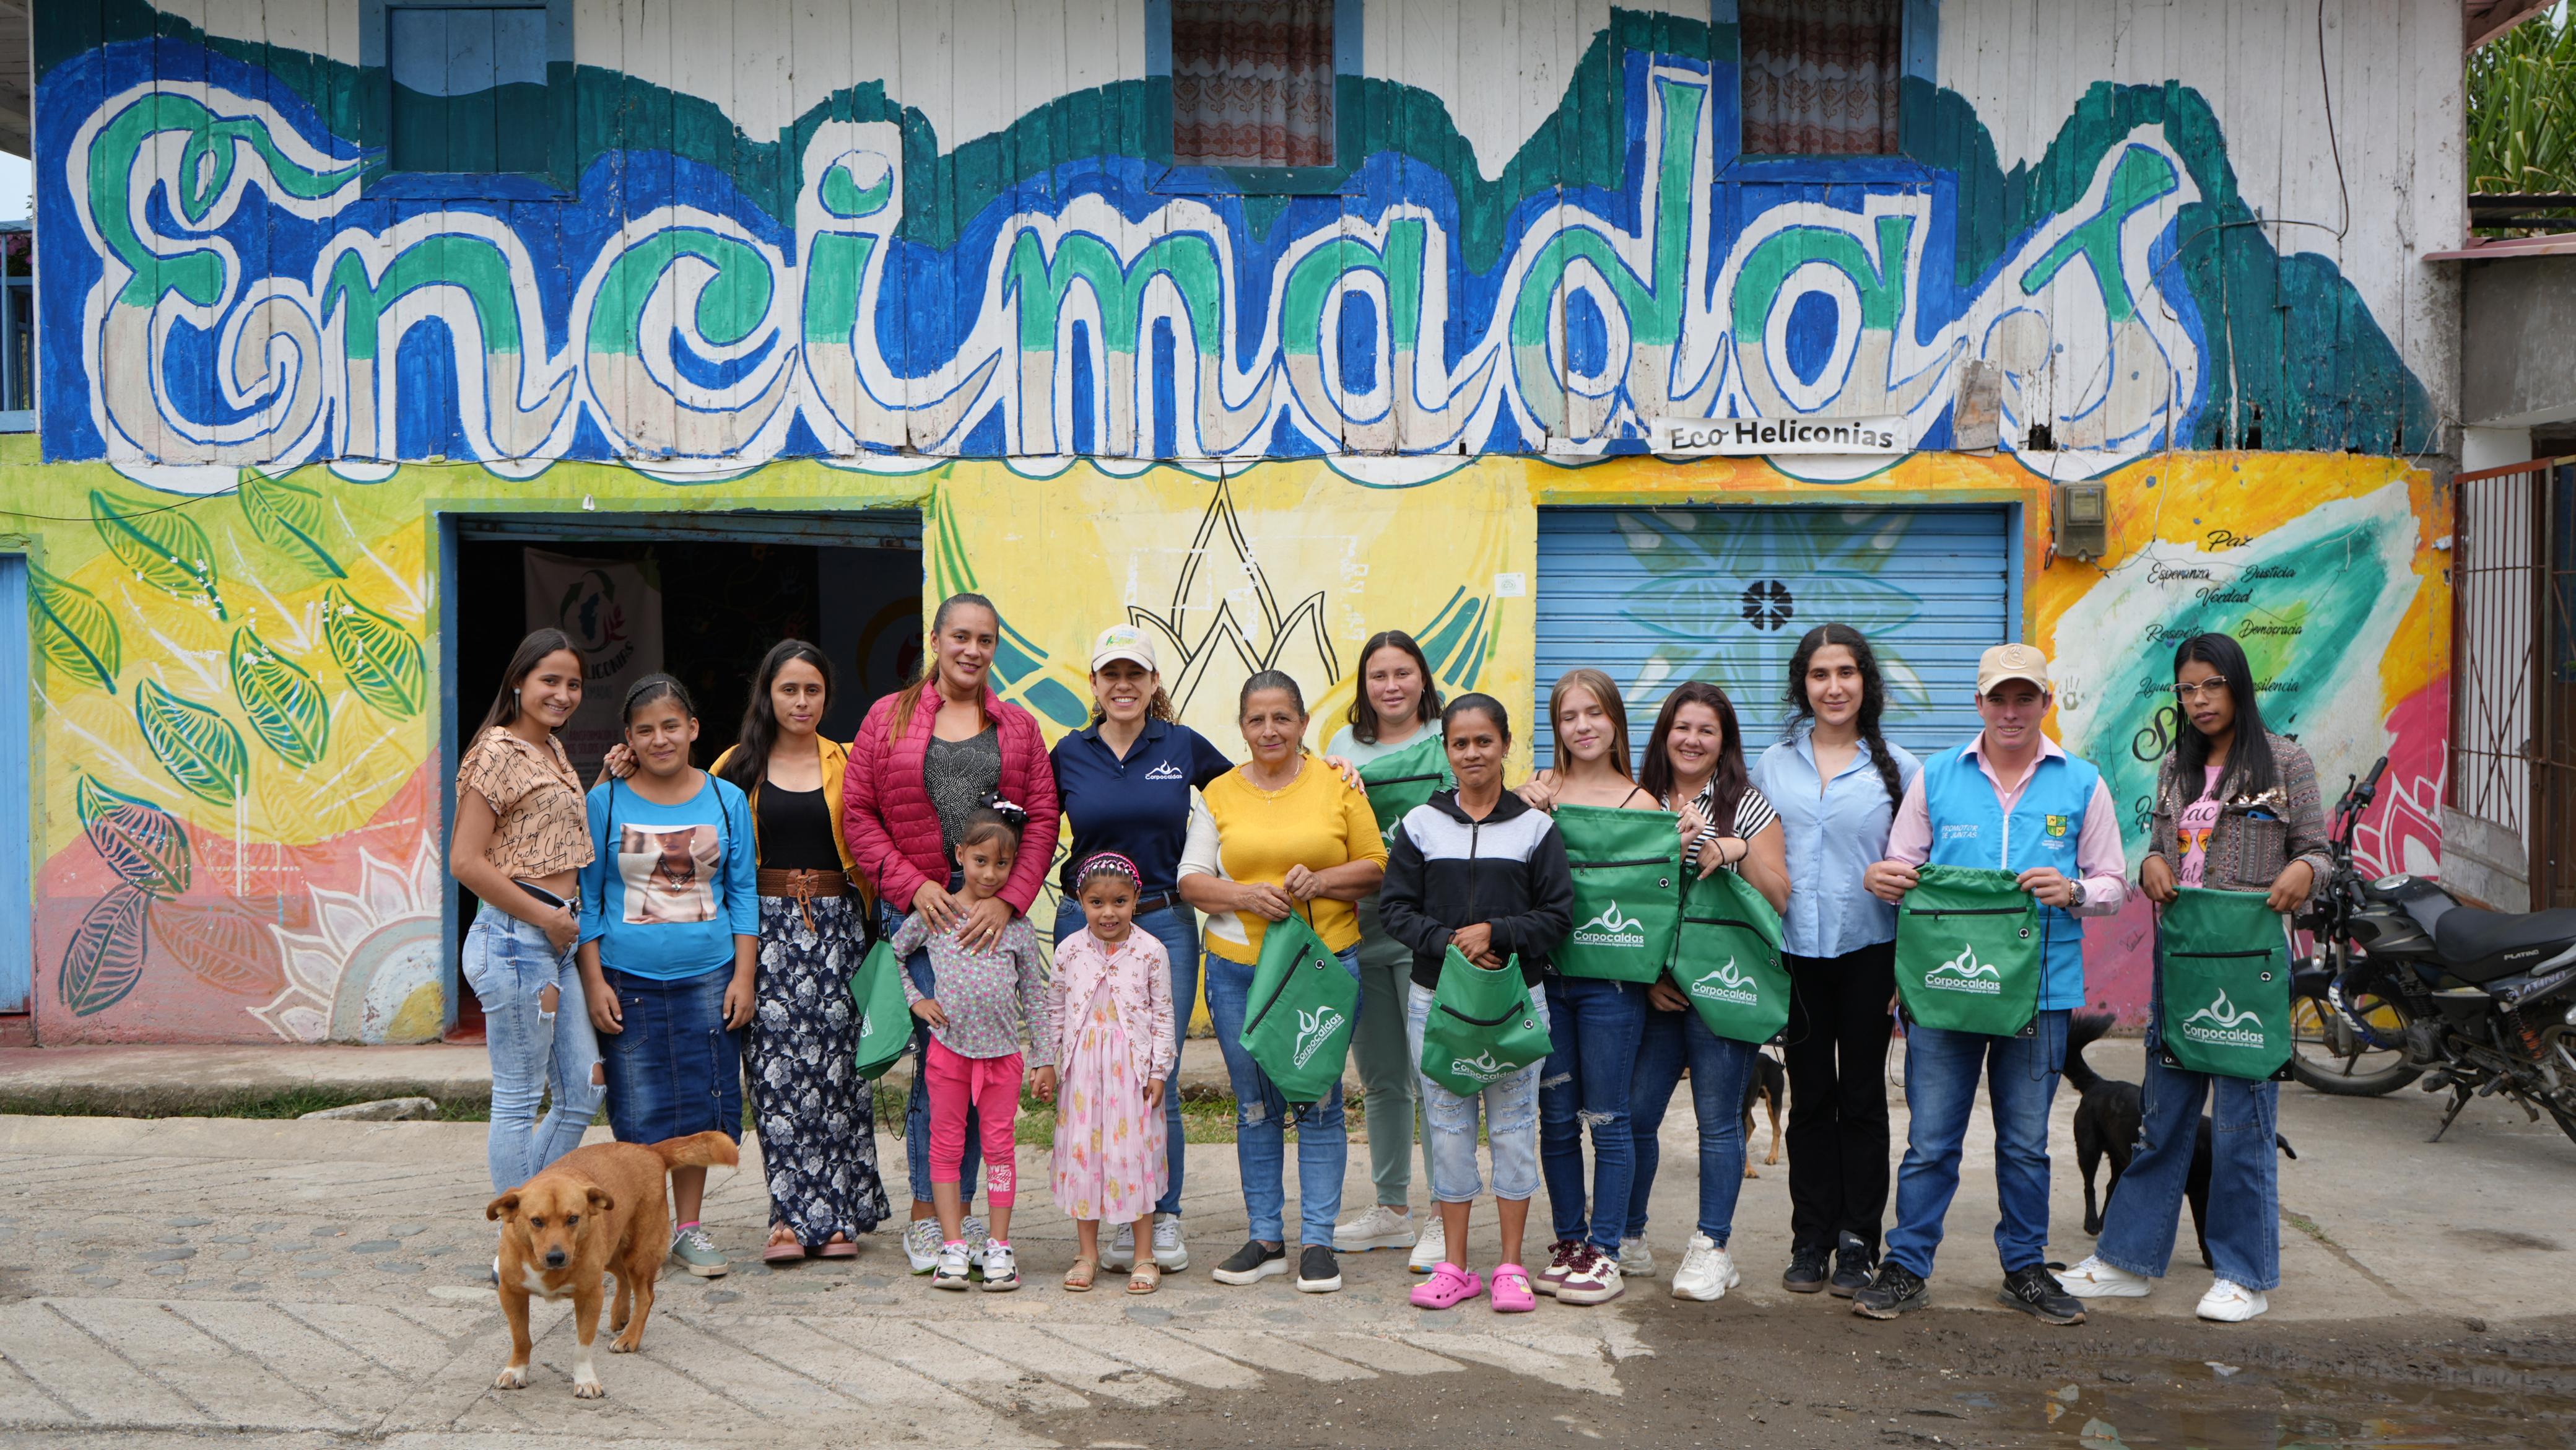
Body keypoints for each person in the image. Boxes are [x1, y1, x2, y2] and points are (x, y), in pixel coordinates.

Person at [2059, 633, 2328, 1323]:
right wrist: (2152, 862)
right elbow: (2160, 847)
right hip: (2180, 966)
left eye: (2212, 685)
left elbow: (2319, 852)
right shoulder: (2176, 767)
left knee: (2242, 1127)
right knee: (2161, 1122)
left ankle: (2244, 1276)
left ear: (2237, 685)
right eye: (2187, 689)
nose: (2199, 700)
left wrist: (2304, 869)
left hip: (2247, 970)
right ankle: (2127, 1262)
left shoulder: (2286, 762)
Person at [1856, 643, 2127, 1325]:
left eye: (2024, 697)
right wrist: (1882, 876)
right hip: (1945, 985)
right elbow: (1899, 865)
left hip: (2040, 990)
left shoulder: (2082, 782)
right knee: (1931, 1140)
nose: (2011, 711)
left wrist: (2073, 890)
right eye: (1998, 698)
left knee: (2025, 1142)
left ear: (2045, 702)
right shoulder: (1937, 777)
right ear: (1978, 703)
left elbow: (2113, 884)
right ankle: (1906, 1266)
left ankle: (2025, 1268)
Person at [842, 593, 1062, 1275]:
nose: (972, 649)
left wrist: (1012, 901)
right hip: (925, 918)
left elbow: (1043, 818)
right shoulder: (888, 717)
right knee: (935, 1075)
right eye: (960, 636)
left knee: (984, 1070)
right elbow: (859, 814)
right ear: (935, 640)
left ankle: (965, 1218)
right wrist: (914, 886)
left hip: (992, 923)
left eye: (985, 640)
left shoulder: (1018, 728)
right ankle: (927, 1218)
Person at [1178, 671, 1388, 1294]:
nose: (1269, 730)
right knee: (1253, 1107)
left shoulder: (1337, 784)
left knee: (1318, 1101)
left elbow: (1376, 865)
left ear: (1301, 723)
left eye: (1281, 717)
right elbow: (1191, 879)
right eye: (1256, 719)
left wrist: (1320, 882)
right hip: (1237, 970)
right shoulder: (1219, 792)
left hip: (1320, 967)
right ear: (1242, 727)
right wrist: (1243, 894)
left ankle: (1318, 1243)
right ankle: (1265, 1239)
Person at [1046, 624, 1234, 1276]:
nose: (1123, 685)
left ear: (1154, 682)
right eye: (1111, 674)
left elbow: (1250, 794)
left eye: (1136, 673)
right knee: (1088, 1076)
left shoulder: (1180, 745)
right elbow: (1030, 826)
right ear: (1095, 684)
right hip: (1082, 928)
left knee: (1157, 1074)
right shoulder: (1069, 752)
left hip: (1165, 925)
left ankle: (1161, 1212)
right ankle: (1096, 1215)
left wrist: (1331, 772)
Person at [1377, 695, 1572, 1314]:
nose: (1472, 753)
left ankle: (1510, 1266)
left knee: (1513, 1131)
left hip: (1515, 1001)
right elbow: (1394, 909)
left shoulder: (1535, 829)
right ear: (1446, 749)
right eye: (1459, 743)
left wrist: (1497, 933)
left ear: (1505, 744)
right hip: (1437, 1001)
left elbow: (1557, 915)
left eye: (1483, 741)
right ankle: (1455, 1267)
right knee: (1449, 1131)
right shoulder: (1420, 825)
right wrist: (1450, 943)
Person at [1750, 624, 1922, 1296]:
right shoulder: (1773, 765)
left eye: (1845, 672)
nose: (1833, 687)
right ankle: (1810, 1237)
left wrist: (1907, 965)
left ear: (1864, 681)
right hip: (1795, 956)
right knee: (1811, 1097)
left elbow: (1922, 870)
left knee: (1862, 1099)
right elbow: (1748, 850)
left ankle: (1858, 1242)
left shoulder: (1901, 768)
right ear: (1803, 684)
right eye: (1819, 674)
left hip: (1870, 953)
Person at [709, 640, 890, 1264]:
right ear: (767, 693)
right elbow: (705, 842)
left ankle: (837, 1217)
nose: (801, 701)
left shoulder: (848, 760)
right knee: (775, 1075)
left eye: (812, 689)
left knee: (838, 1074)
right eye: (789, 689)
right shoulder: (734, 766)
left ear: (826, 696)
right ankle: (787, 1217)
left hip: (839, 932)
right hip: (765, 934)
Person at [576, 675, 759, 1280]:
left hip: (709, 977)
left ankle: (687, 1227)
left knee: (702, 1106)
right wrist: (594, 981)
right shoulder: (604, 803)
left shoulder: (726, 799)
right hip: (627, 979)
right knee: (638, 1107)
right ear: (628, 738)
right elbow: (589, 900)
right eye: (646, 730)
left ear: (693, 729)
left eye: (671, 726)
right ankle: (637, 1226)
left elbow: (743, 893)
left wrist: (743, 976)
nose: (660, 739)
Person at [1622, 681, 1789, 1302]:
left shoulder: (1747, 805)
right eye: (1682, 727)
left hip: (1724, 989)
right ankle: (1628, 1235)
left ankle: (1712, 1247)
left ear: (1724, 742)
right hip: (1657, 990)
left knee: (1718, 1121)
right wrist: (1648, 975)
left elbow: (1779, 897)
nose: (1692, 740)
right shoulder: (1635, 797)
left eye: (1706, 730)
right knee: (1636, 1114)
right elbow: (1618, 897)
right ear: (1664, 733)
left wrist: (1736, 847)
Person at [1515, 668, 1666, 1306]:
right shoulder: (1536, 792)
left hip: (1612, 986)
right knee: (1554, 1120)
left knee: (1608, 1117)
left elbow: (1661, 902)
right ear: (1556, 727)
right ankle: (1569, 1243)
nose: (1582, 726)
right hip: (1546, 981)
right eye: (1569, 716)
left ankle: (1606, 1250)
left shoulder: (1644, 805)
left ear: (1615, 722)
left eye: (1594, 713)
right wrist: (1519, 803)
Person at [451, 630, 605, 1203]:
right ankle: (522, 1231)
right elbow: (465, 861)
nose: (563, 694)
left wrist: (605, 779)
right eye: (550, 680)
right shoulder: (497, 751)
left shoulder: (551, 749)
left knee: (585, 1090)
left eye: (574, 684)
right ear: (518, 681)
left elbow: (550, 834)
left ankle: (530, 1212)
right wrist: (545, 915)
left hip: (554, 937)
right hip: (515, 938)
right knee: (518, 1097)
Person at [1321, 630, 1450, 1270]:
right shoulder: (1342, 746)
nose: (1391, 685)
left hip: (1429, 932)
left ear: (1422, 678)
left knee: (1435, 1078)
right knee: (1380, 1078)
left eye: (1403, 672)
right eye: (1379, 675)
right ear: (1363, 684)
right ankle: (1393, 1208)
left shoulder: (1449, 738)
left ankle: (1443, 1214)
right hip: (1362, 929)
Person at [890, 808, 1048, 1292]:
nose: (990, 874)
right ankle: (953, 1245)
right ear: (960, 855)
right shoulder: (936, 914)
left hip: (1002, 1058)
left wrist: (1043, 1057)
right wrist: (918, 1000)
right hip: (948, 1054)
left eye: (1002, 864)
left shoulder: (1017, 926)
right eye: (980, 860)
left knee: (999, 1149)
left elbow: (1034, 996)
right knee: (946, 1146)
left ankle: (998, 1246)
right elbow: (894, 952)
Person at [1038, 852, 1180, 1295]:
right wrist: (1046, 1062)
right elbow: (1055, 1010)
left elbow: (1164, 1016)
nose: (1108, 913)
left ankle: (1144, 1255)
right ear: (1081, 901)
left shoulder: (1151, 952)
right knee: (1085, 1157)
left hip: (1131, 1074)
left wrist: (1159, 1070)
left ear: (1136, 899)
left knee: (1132, 1157)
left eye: (1120, 901)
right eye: (1096, 902)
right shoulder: (1069, 950)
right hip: (1083, 1072)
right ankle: (1087, 1254)